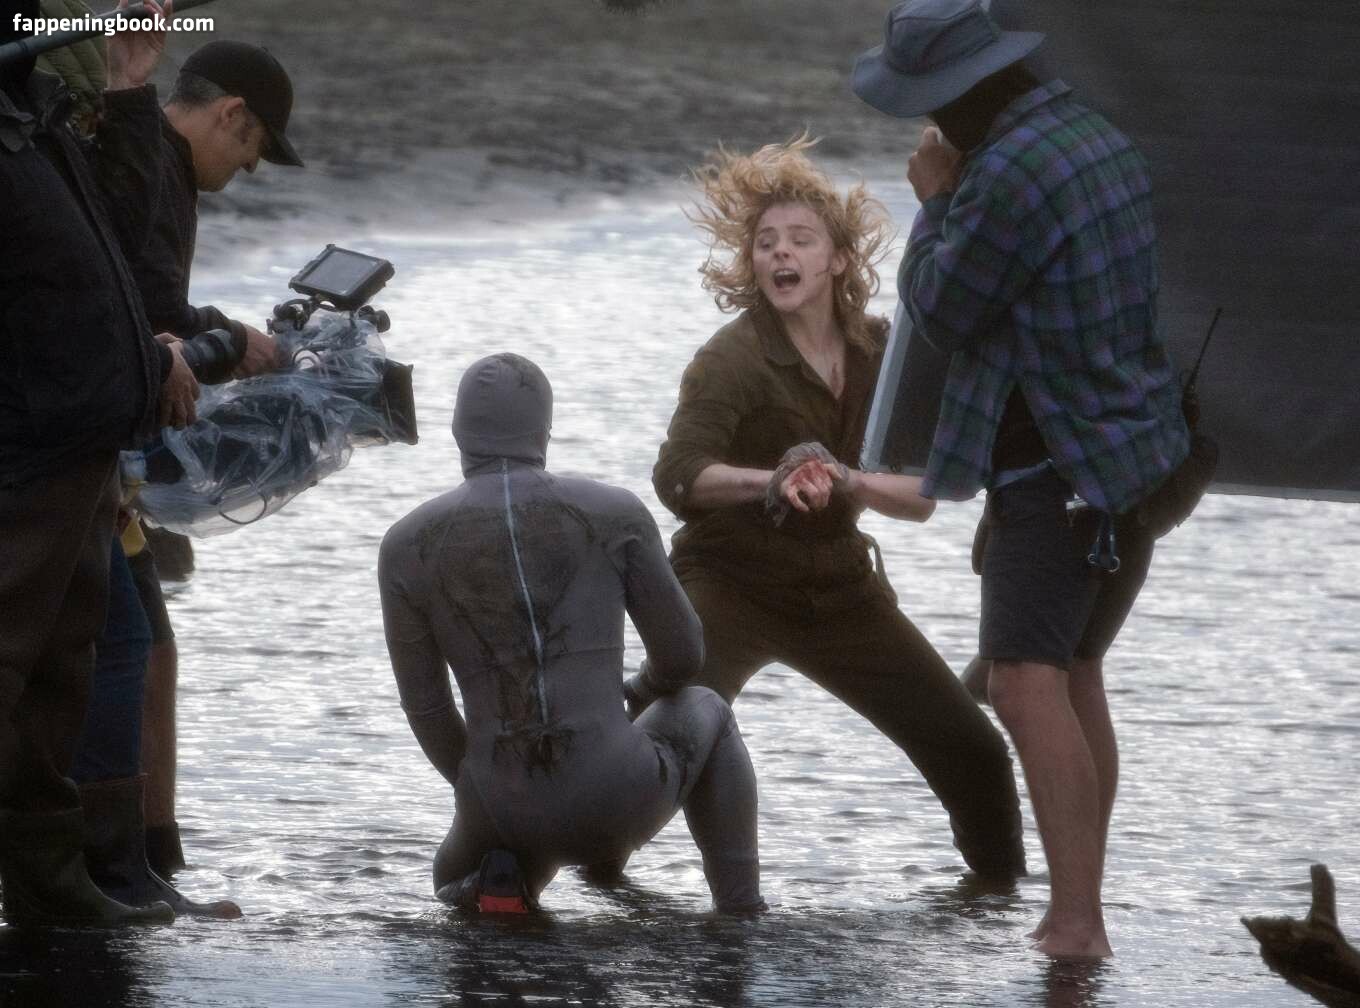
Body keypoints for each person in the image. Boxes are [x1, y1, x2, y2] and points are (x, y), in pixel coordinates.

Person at [851, 0, 1190, 957]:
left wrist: (934, 199)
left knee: (1023, 685)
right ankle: (1084, 900)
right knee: (1075, 673)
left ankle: (1077, 922)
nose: (927, 121)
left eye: (930, 103)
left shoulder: (1006, 175)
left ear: (961, 95)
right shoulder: (1090, 133)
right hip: (1134, 452)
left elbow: (944, 308)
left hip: (1057, 466)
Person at [650, 136, 1026, 881]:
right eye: (766, 243)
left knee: (978, 753)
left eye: (800, 240)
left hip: (841, 590)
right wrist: (773, 481)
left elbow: (923, 499)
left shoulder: (882, 354)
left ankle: (1001, 906)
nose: (780, 254)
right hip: (729, 584)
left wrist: (847, 481)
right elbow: (678, 478)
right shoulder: (730, 358)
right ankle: (582, 864)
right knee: (665, 748)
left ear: (840, 261)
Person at [378, 354, 765, 914]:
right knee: (707, 706)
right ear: (544, 432)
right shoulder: (615, 512)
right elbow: (683, 655)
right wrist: (635, 694)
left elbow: (429, 710)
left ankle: (496, 879)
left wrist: (486, 786)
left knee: (452, 877)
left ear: (459, 433)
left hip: (496, 809)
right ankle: (740, 912)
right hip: (616, 793)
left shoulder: (405, 545)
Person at [72, 38, 303, 894]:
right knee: (126, 646)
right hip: (77, 444)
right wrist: (229, 338)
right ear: (232, 115)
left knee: (151, 644)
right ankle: (114, 868)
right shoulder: (155, 163)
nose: (249, 168)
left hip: (100, 443)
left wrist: (214, 336)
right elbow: (145, 308)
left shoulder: (151, 155)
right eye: (254, 148)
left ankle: (152, 853)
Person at [0, 0, 197, 926]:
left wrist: (128, 87)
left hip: (81, 442)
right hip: (26, 445)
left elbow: (118, 239)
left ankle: (52, 881)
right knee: (9, 658)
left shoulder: (29, 118)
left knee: (59, 668)